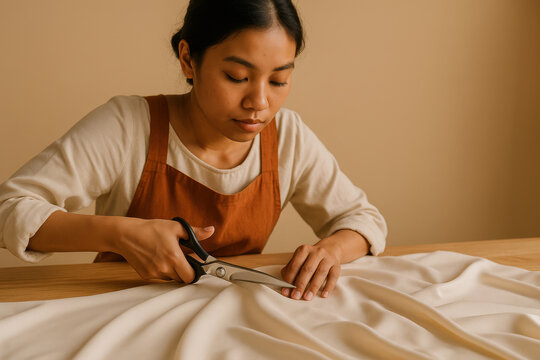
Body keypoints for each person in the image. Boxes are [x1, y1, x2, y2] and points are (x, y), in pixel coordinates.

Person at [0, 0, 387, 301]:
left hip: (233, 313)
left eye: (280, 80)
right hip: (118, 309)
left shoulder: (288, 137)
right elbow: (11, 208)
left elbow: (363, 220)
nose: (260, 102)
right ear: (188, 58)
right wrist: (119, 234)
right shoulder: (129, 124)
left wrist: (332, 250)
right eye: (237, 77)